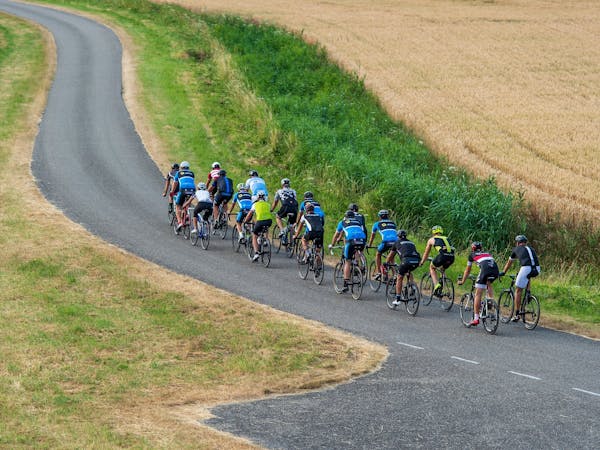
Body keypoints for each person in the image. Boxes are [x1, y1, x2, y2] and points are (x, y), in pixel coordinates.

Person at [499, 235, 541, 322]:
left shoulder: (516, 249)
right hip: (537, 269)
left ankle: (517, 314)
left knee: (518, 290)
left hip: (526, 268)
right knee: (528, 276)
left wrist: (503, 272)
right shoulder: (531, 249)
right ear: (525, 243)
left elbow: (509, 263)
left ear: (518, 243)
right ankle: (528, 292)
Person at [458, 242, 500, 326]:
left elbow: (468, 270)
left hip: (485, 270)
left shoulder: (472, 254)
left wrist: (462, 281)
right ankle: (490, 301)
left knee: (478, 293)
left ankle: (476, 318)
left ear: (472, 248)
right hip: (495, 270)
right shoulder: (487, 253)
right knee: (488, 283)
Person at [329, 210, 366, 293]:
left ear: (345, 217)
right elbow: (362, 231)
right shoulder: (358, 222)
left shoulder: (342, 222)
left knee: (347, 261)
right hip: (362, 240)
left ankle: (346, 283)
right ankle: (357, 266)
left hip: (351, 241)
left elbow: (336, 235)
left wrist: (332, 244)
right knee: (357, 251)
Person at [386, 230, 421, 305]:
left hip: (406, 261)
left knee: (399, 277)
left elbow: (390, 256)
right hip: (416, 261)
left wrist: (386, 263)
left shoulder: (397, 242)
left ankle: (398, 299)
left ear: (398, 236)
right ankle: (412, 287)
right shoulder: (411, 242)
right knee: (408, 271)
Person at [419, 225, 455, 295]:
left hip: (442, 256)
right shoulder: (447, 238)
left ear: (433, 232)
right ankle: (443, 286)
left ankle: (436, 285)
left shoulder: (431, 239)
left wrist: (422, 262)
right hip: (452, 257)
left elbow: (426, 253)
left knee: (432, 267)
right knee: (442, 269)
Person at [367, 209, 398, 279]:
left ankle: (379, 273)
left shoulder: (376, 224)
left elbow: (372, 236)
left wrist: (369, 245)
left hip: (386, 242)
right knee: (391, 257)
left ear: (380, 217)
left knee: (378, 254)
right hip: (396, 242)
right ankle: (395, 274)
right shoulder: (393, 223)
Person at [243, 190, 273, 262]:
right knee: (265, 227)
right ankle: (265, 239)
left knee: (254, 236)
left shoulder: (255, 204)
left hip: (260, 221)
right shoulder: (268, 204)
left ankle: (256, 253)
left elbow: (250, 214)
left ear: (257, 197)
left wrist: (245, 221)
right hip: (269, 221)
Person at [170, 161, 195, 230]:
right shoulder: (192, 173)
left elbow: (175, 184)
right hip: (192, 190)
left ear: (181, 167)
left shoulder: (178, 173)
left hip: (183, 189)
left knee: (178, 205)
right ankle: (186, 214)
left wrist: (172, 191)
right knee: (187, 202)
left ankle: (180, 222)